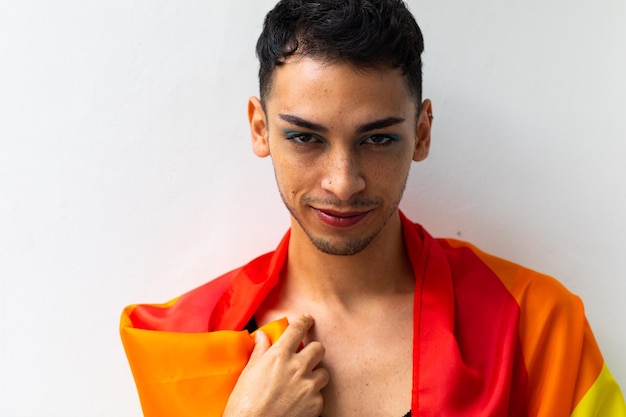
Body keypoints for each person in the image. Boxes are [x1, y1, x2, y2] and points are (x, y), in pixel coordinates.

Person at [120, 0, 626, 416]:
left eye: (378, 138)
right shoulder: (184, 346)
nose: (343, 183)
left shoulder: (536, 326)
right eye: (304, 137)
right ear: (260, 128)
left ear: (422, 132)